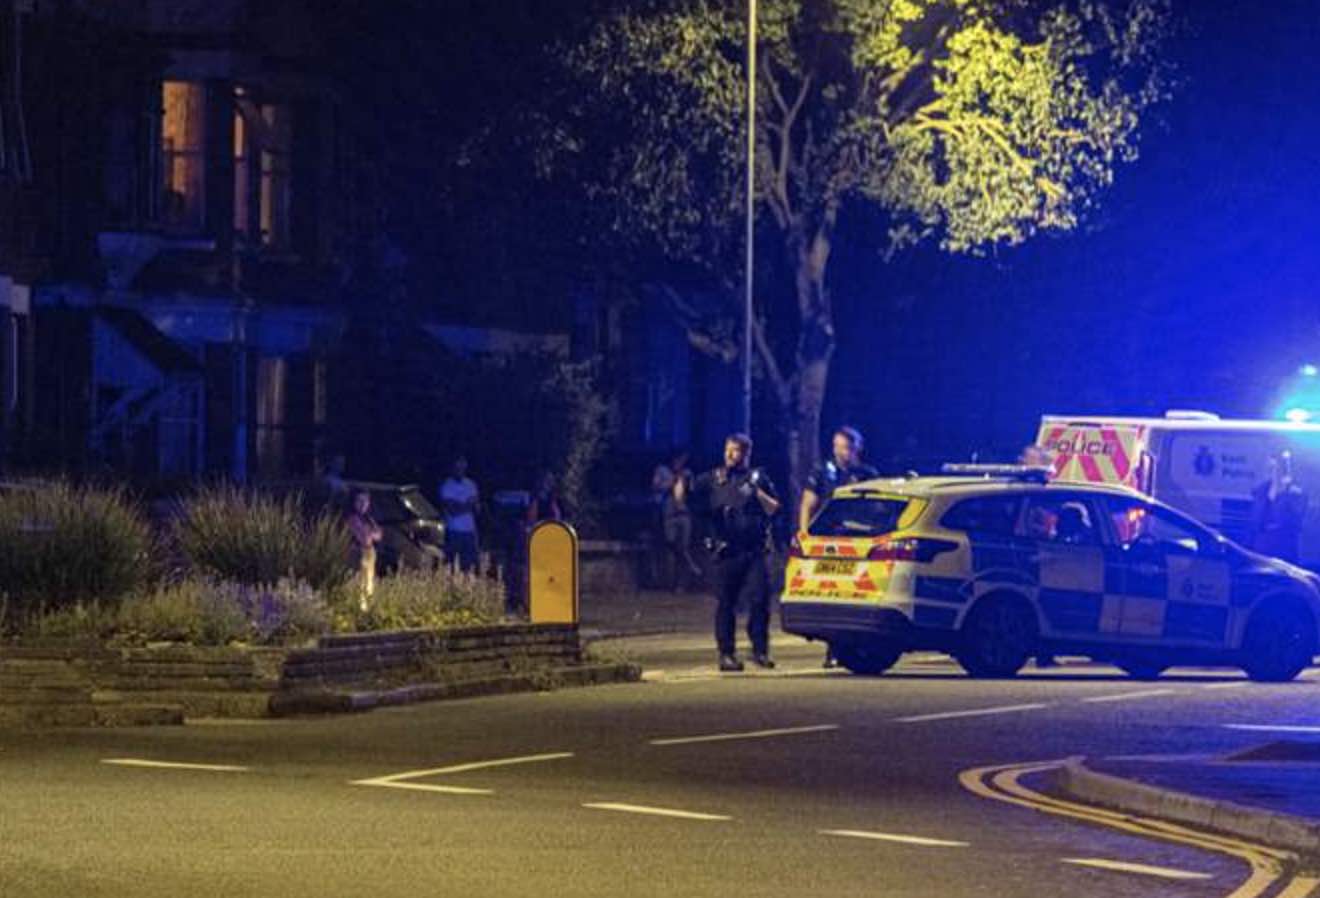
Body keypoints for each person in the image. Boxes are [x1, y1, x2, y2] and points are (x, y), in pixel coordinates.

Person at [684, 433, 781, 672]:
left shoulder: (758, 478)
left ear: (746, 454)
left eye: (735, 450)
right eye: (727, 449)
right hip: (726, 550)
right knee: (726, 602)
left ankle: (759, 650)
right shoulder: (713, 480)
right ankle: (726, 654)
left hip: (754, 550)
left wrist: (756, 491)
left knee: (759, 599)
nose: (729, 454)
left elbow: (774, 508)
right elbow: (691, 501)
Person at [799, 426, 879, 668]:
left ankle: (852, 649)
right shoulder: (822, 471)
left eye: (846, 447)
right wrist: (804, 533)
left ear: (857, 448)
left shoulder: (867, 474)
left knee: (854, 597)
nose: (841, 452)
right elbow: (807, 504)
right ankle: (833, 650)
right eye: (837, 447)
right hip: (829, 541)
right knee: (830, 595)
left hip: (859, 541)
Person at [654, 451, 701, 591]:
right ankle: (690, 565)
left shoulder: (686, 473)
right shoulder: (662, 471)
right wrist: (671, 482)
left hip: (684, 513)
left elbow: (692, 492)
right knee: (672, 543)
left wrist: (687, 483)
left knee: (683, 545)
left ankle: (681, 583)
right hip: (669, 513)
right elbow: (656, 487)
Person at [1250, 450, 1308, 563]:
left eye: (1279, 468)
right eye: (1272, 468)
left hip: (1284, 550)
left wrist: (1282, 493)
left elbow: (1292, 523)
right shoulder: (1260, 490)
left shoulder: (1296, 493)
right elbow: (1255, 522)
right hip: (1260, 549)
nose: (1275, 471)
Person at [439, 456, 480, 573]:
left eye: (463, 467)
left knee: (470, 566)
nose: (460, 470)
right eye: (458, 467)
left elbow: (477, 509)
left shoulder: (471, 484)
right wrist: (468, 505)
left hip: (470, 531)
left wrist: (462, 505)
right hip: (453, 531)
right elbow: (452, 511)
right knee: (452, 566)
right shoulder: (447, 486)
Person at [346, 490, 383, 612]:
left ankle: (368, 607)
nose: (363, 504)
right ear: (354, 502)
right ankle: (359, 608)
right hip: (358, 551)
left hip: (370, 551)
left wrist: (369, 533)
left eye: (365, 501)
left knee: (369, 580)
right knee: (360, 580)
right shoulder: (352, 518)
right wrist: (370, 534)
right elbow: (363, 537)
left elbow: (378, 534)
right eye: (359, 501)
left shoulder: (369, 518)